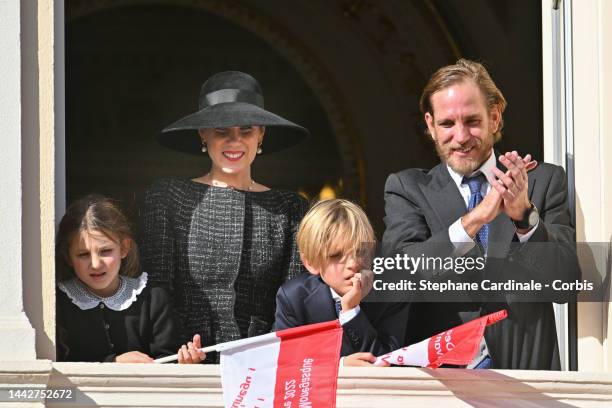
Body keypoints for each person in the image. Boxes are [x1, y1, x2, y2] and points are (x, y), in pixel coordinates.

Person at [382, 59, 579, 370]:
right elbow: (401, 276)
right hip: (440, 387)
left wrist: (524, 217)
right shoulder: (407, 188)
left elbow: (565, 284)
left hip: (527, 381)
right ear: (431, 126)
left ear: (495, 118)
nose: (461, 137)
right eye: (447, 124)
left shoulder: (542, 182)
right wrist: (475, 220)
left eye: (472, 121)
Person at [141, 71, 310, 363]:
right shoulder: (168, 197)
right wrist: (174, 350)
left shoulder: (290, 208)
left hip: (262, 364)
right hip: (181, 363)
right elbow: (158, 287)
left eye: (246, 130)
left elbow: (293, 296)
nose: (235, 141)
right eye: (222, 130)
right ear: (203, 134)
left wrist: (269, 355)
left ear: (261, 135)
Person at [56, 195, 204, 364]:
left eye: (105, 251)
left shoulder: (153, 298)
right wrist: (114, 363)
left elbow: (166, 359)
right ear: (68, 256)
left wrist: (185, 363)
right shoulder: (57, 302)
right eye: (83, 254)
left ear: (124, 248)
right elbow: (59, 362)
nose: (95, 264)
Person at [275, 199, 409, 366]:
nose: (353, 264)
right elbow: (288, 364)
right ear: (311, 262)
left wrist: (352, 312)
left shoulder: (391, 293)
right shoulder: (294, 297)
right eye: (336, 255)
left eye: (361, 251)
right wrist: (340, 365)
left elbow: (388, 362)